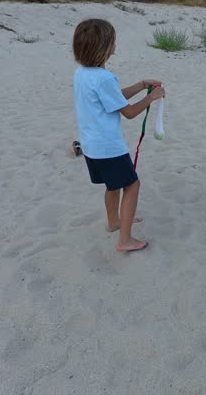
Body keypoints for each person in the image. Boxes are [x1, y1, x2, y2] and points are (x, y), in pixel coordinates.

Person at [72, 19, 165, 252]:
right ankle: (125, 240)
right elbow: (130, 112)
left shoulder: (82, 73)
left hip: (91, 146)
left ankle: (114, 222)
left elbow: (113, 97)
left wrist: (141, 84)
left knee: (112, 186)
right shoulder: (104, 78)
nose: (116, 43)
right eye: (113, 39)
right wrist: (150, 98)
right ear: (104, 47)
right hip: (109, 147)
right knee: (132, 186)